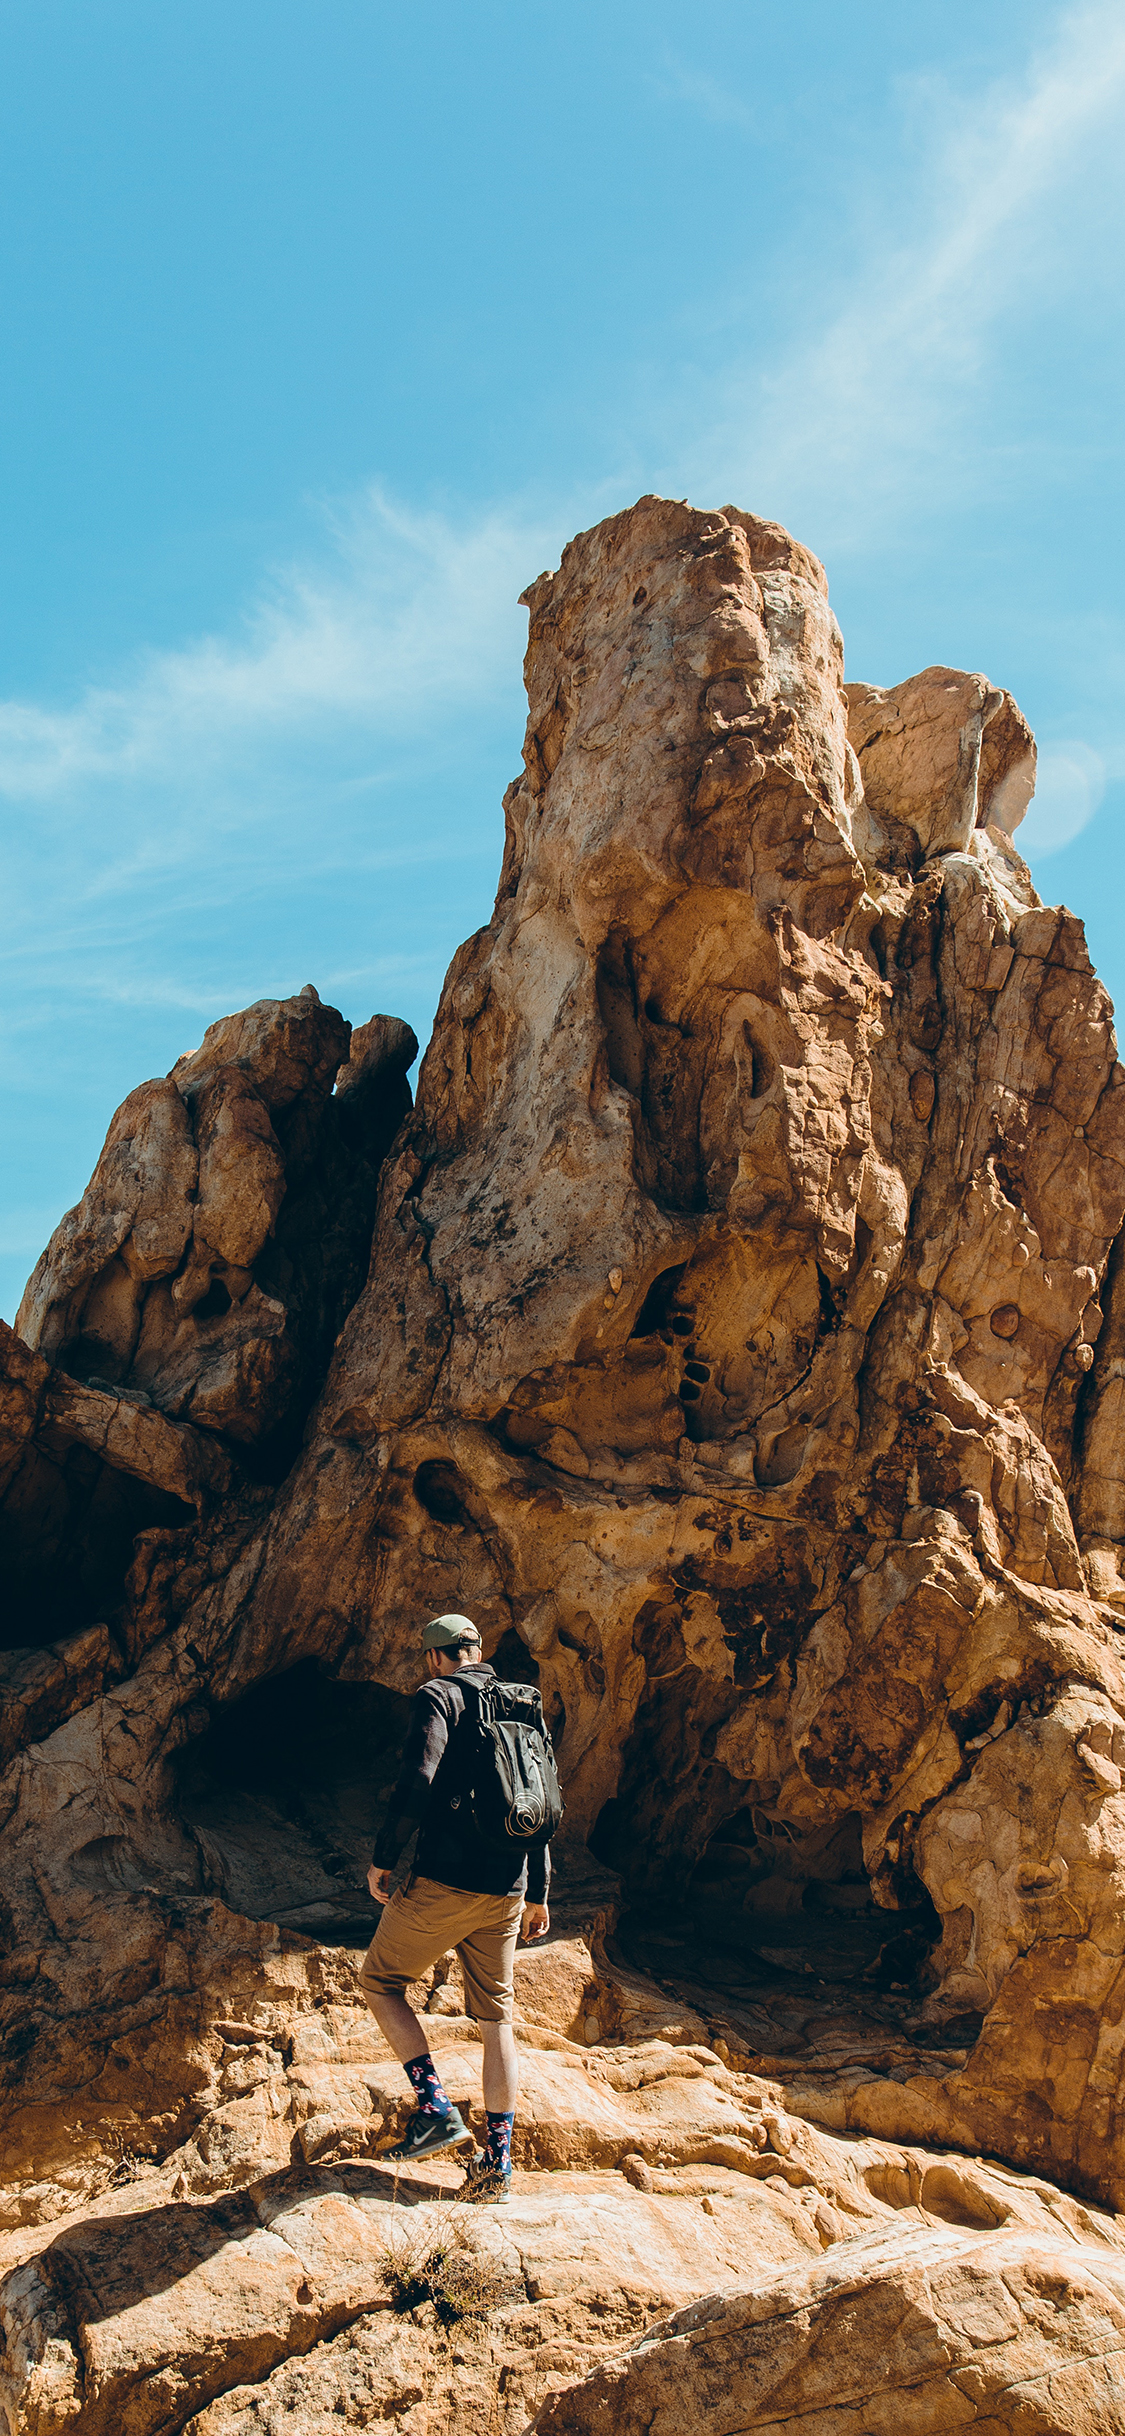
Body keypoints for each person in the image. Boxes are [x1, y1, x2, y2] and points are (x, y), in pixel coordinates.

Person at [359, 1612, 552, 2205]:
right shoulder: (522, 1698)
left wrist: (383, 1857)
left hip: (446, 1879)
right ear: (476, 1650)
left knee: (380, 1982)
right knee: (497, 2018)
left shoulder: (437, 1695)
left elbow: (418, 1778)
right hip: (510, 1885)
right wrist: (540, 1889)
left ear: (434, 1656)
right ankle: (496, 2166)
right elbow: (543, 1792)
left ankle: (435, 2108)